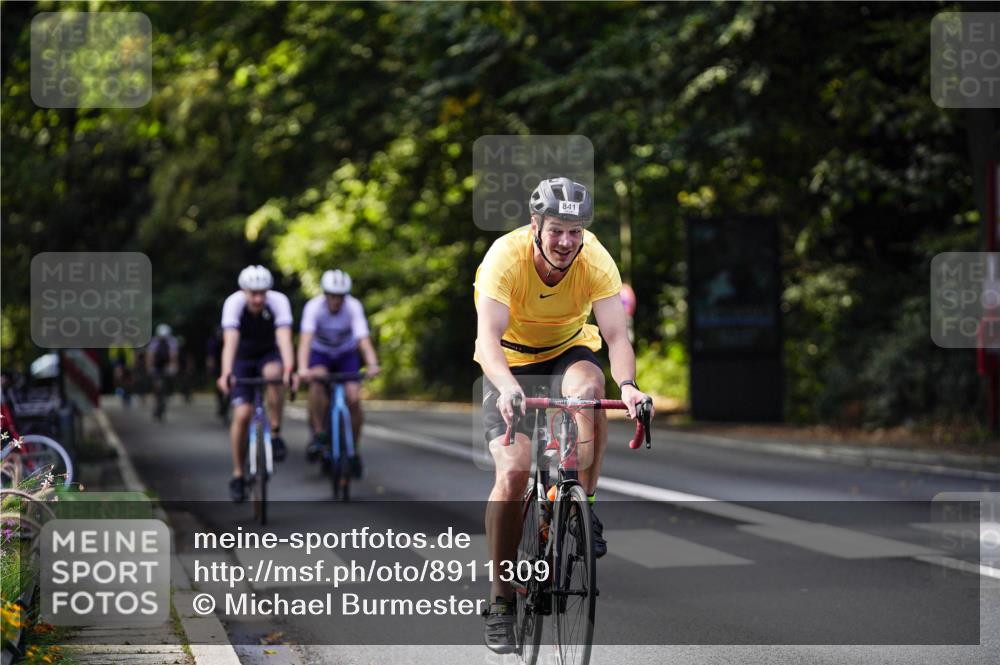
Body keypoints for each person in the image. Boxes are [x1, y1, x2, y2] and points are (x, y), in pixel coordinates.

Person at [474, 177, 654, 653]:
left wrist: (631, 388)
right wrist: (509, 388)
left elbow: (615, 336)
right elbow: (487, 340)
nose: (566, 242)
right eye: (556, 230)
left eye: (575, 231)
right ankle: (500, 599)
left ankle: (583, 506)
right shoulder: (504, 258)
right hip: (509, 361)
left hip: (567, 351)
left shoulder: (595, 258)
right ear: (535, 225)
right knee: (513, 473)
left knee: (590, 394)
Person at [216, 265, 296, 503]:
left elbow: (284, 338)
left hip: (268, 354)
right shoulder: (233, 304)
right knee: (242, 414)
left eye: (262, 293)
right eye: (253, 293)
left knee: (275, 374)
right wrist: (226, 373)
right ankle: (239, 474)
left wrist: (290, 369)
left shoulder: (278, 302)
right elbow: (230, 341)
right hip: (242, 357)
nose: (258, 298)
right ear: (244, 291)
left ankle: (275, 430)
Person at [297, 269, 380, 478]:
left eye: (340, 296)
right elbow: (306, 340)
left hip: (346, 355)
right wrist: (302, 368)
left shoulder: (353, 307)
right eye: (332, 296)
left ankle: (354, 448)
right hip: (321, 355)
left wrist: (372, 363)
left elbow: (363, 339)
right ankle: (318, 435)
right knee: (317, 382)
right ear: (325, 294)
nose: (336, 301)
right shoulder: (314, 307)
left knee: (354, 398)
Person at [146, 324, 179, 421]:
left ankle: (163, 399)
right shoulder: (156, 342)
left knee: (163, 386)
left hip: (164, 367)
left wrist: (173, 366)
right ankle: (158, 403)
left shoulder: (170, 342)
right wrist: (150, 367)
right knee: (157, 387)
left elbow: (173, 356)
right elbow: (150, 356)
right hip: (157, 367)